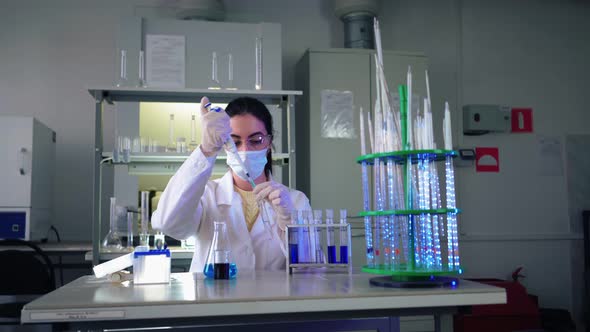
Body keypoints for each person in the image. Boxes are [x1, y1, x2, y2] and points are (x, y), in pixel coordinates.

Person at [151, 96, 311, 273]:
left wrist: (289, 223)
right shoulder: (207, 195)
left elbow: (311, 270)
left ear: (269, 143)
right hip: (213, 300)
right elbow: (167, 223)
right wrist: (206, 149)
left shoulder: (295, 201)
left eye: (256, 140)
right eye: (234, 142)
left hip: (271, 300)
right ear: (225, 145)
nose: (244, 150)